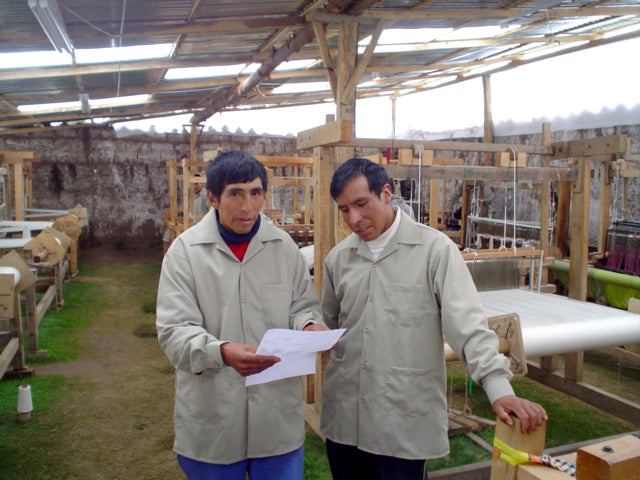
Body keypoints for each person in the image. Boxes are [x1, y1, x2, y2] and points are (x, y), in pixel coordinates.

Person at [320, 157, 547, 480]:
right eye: (344, 210)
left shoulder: (435, 251)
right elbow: (326, 325)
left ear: (385, 193)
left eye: (361, 204)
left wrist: (499, 389)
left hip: (402, 420)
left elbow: (468, 327)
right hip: (346, 420)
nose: (354, 218)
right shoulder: (338, 259)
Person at [156, 150, 326, 480]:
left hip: (275, 418)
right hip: (214, 418)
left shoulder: (283, 247)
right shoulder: (185, 254)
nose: (247, 206)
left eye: (256, 193)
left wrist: (309, 325)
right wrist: (219, 351)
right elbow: (174, 329)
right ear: (212, 198)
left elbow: (302, 305)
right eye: (235, 193)